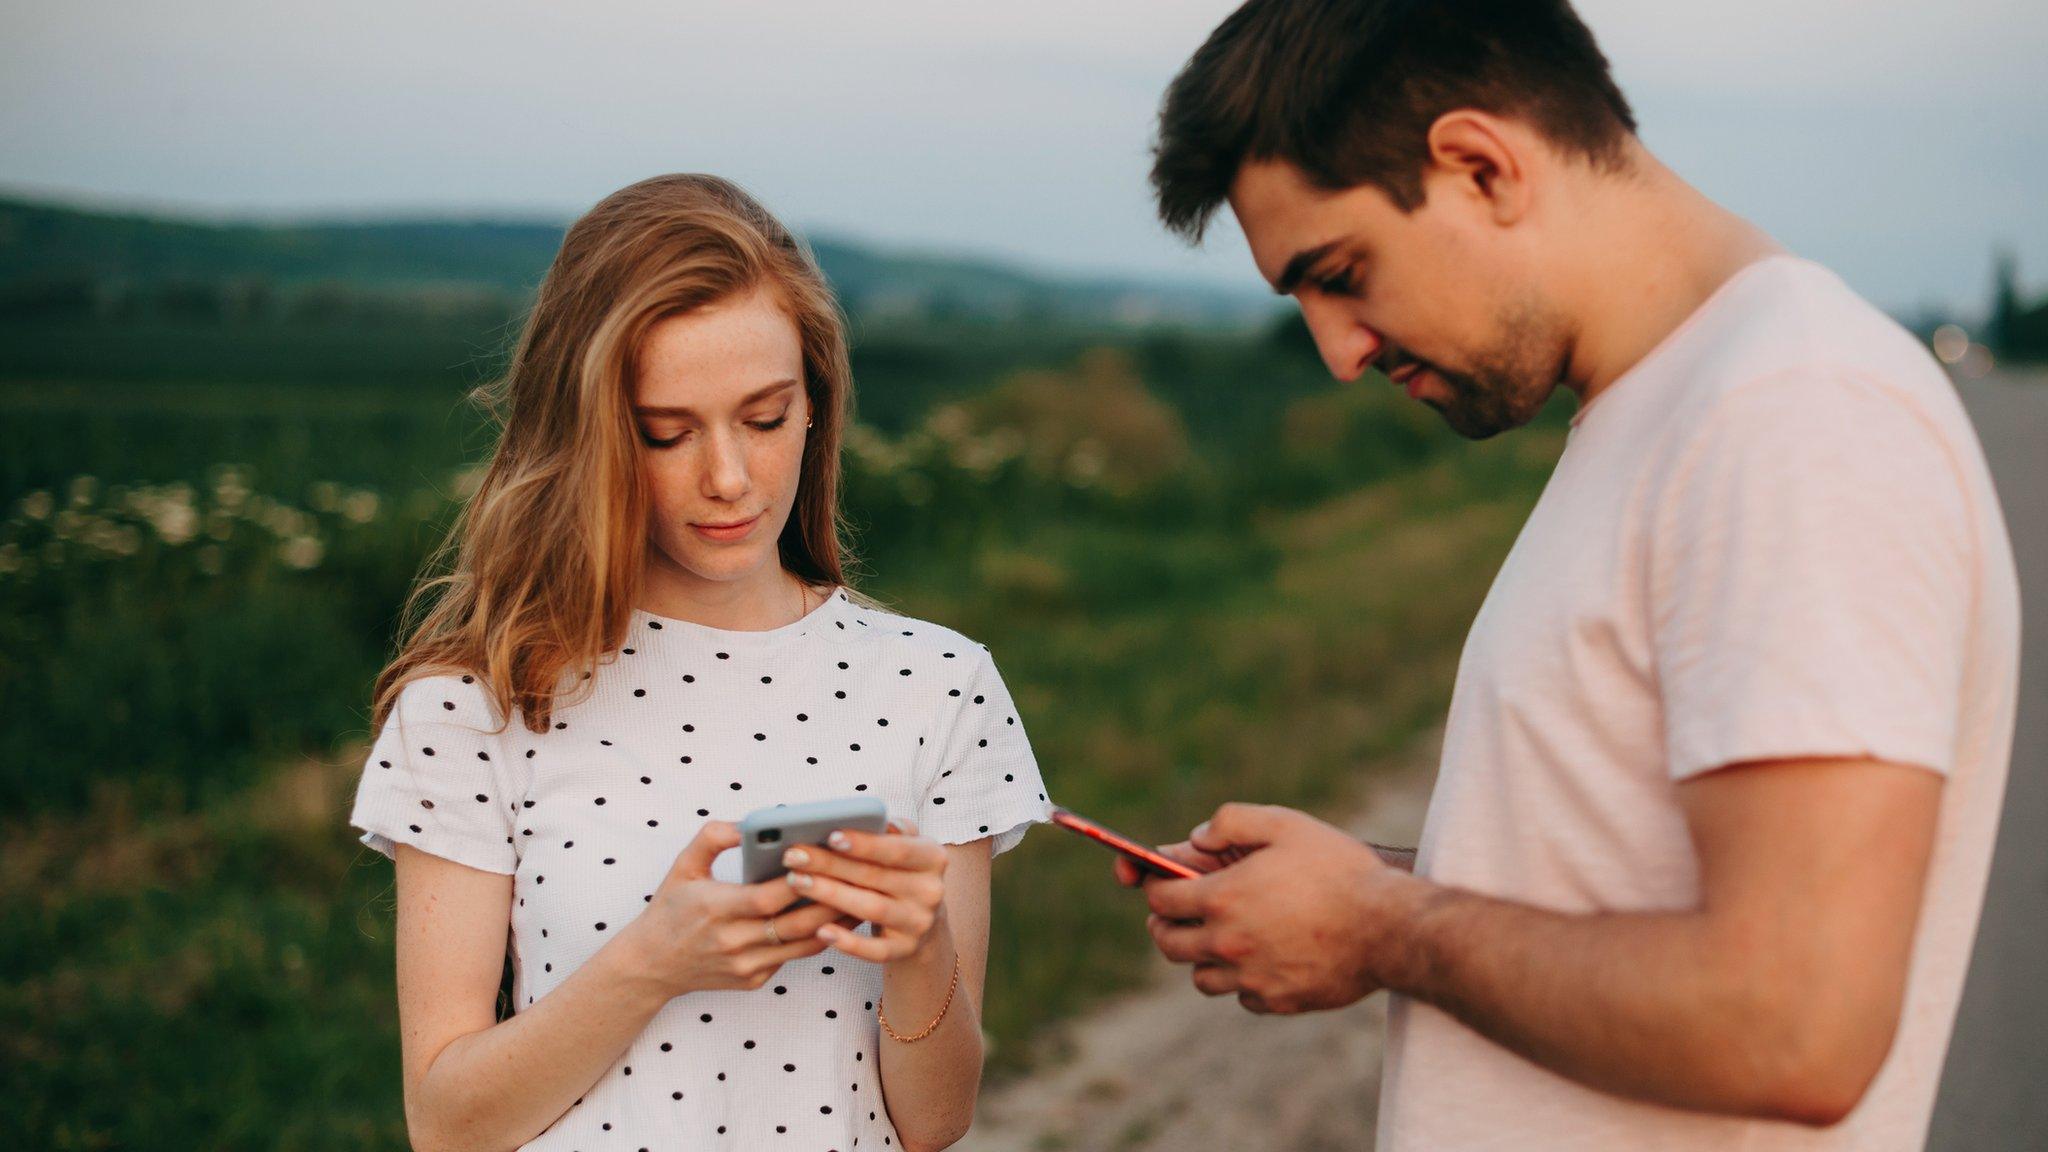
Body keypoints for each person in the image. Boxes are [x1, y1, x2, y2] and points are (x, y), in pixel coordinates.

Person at [1117, 2, 2022, 1150]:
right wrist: (1363, 887)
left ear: (1480, 166)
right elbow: (1631, 875)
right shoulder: (1674, 404)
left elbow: (1793, 1022)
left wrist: (1384, 928)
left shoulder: (1795, 414)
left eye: (1340, 273)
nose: (1338, 352)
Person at [346, 173, 1052, 1152]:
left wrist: (920, 951)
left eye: (763, 419)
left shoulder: (937, 689)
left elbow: (935, 1122)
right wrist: (651, 963)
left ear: (817, 404)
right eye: (665, 433)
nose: (726, 477)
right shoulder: (473, 708)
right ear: (588, 434)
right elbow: (444, 1124)